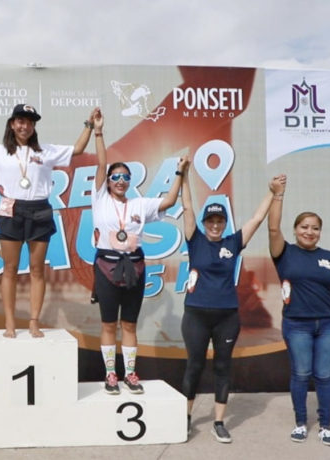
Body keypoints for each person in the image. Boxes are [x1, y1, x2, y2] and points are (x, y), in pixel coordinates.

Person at [0, 99, 97, 338]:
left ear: (33, 127)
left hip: (39, 210)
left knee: (37, 270)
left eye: (29, 123)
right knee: (10, 268)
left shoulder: (45, 151)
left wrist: (90, 124)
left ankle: (34, 321)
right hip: (11, 210)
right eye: (20, 121)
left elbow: (77, 149)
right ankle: (9, 323)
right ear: (12, 123)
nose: (25, 126)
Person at [180, 163, 284, 443]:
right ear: (204, 224)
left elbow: (257, 219)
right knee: (194, 365)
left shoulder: (233, 243)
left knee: (223, 366)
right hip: (196, 314)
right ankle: (186, 418)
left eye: (219, 221)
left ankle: (218, 422)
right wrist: (184, 175)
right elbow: (188, 207)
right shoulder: (195, 240)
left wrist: (272, 193)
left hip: (227, 317)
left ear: (224, 223)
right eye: (210, 221)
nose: (215, 225)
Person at [90, 109, 187, 395]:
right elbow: (101, 162)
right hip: (106, 266)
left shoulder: (140, 205)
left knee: (129, 324)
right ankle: (110, 375)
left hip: (135, 267)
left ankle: (130, 373)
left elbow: (169, 201)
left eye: (125, 177)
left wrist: (181, 172)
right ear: (107, 181)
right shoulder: (100, 199)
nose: (120, 181)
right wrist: (98, 132)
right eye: (116, 176)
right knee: (109, 324)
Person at [267, 176, 330, 447]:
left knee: (325, 375)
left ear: (320, 232)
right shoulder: (284, 253)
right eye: (304, 227)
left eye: (315, 228)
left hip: (328, 324)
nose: (309, 232)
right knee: (301, 374)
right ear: (295, 229)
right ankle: (301, 423)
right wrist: (279, 195)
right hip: (297, 325)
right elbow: (272, 228)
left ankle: (325, 426)